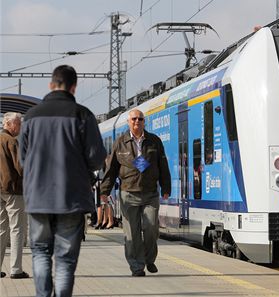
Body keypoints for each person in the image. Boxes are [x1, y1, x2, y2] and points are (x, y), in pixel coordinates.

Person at [18, 65, 106, 297]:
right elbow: (97, 158)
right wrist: (83, 172)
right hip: (72, 198)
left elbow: (23, 159)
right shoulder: (83, 115)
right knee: (65, 260)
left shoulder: (30, 117)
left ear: (51, 85)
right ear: (74, 87)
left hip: (38, 198)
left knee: (39, 252)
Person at [100, 109, 171, 277]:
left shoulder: (154, 141)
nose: (137, 121)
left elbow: (163, 165)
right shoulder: (120, 142)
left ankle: (149, 259)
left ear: (144, 122)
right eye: (133, 119)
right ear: (128, 122)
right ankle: (136, 266)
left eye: (140, 119)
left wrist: (166, 187)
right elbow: (111, 169)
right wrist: (104, 191)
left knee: (151, 228)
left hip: (150, 193)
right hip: (128, 193)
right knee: (132, 232)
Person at [0, 112, 29, 279]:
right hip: (13, 191)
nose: (20, 127)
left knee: (1, 229)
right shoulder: (11, 141)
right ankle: (16, 269)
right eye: (18, 124)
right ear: (9, 124)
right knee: (17, 228)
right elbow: (21, 167)